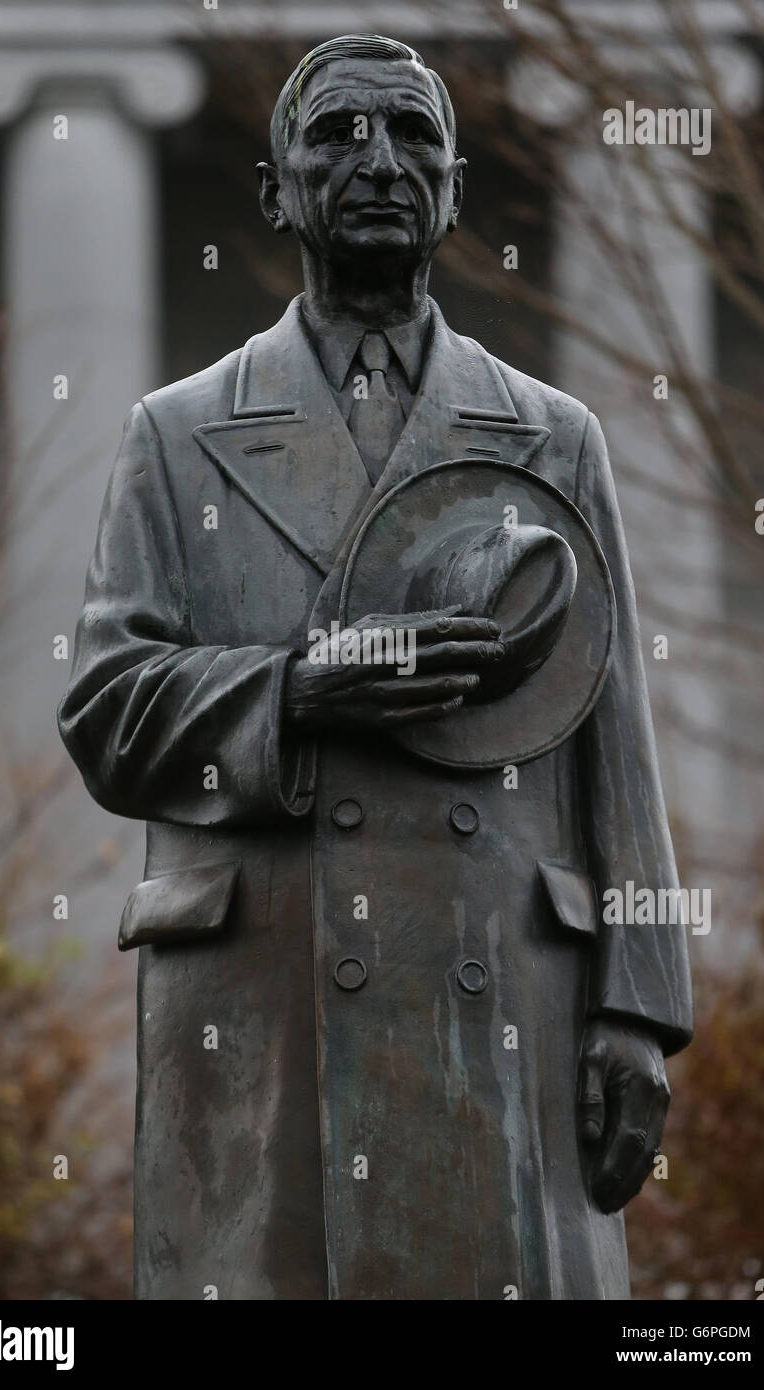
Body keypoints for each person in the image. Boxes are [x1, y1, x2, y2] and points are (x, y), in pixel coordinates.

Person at [58, 34, 692, 1300]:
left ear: (454, 192)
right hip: (269, 1005)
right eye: (337, 136)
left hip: (499, 995)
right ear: (275, 189)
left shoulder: (551, 435)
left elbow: (611, 742)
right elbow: (104, 702)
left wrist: (637, 1009)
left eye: (411, 138)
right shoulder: (176, 436)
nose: (379, 164)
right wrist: (293, 690)